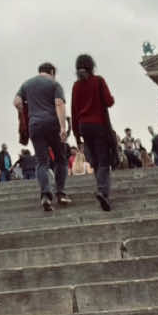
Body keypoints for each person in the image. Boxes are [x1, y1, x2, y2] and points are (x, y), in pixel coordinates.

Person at [13, 62, 70, 212]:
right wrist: (63, 127)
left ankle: (45, 195)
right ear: (51, 71)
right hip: (52, 124)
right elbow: (59, 104)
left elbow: (17, 102)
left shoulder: (26, 84)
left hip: (35, 126)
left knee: (41, 162)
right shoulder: (54, 84)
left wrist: (27, 109)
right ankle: (61, 193)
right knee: (60, 159)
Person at [70, 54, 115, 211]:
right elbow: (109, 101)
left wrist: (76, 136)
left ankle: (102, 191)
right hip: (99, 125)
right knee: (103, 161)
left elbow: (74, 111)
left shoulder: (76, 86)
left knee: (95, 161)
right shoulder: (98, 81)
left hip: (84, 127)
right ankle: (102, 191)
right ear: (92, 66)